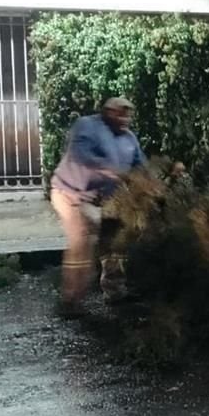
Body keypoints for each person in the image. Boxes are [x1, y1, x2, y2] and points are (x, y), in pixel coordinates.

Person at [50, 97, 145, 317]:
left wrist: (156, 177)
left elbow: (140, 166)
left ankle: (114, 291)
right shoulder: (87, 125)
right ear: (108, 112)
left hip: (93, 199)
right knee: (80, 242)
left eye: (128, 114)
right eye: (120, 113)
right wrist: (109, 171)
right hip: (67, 192)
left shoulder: (129, 139)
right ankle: (70, 301)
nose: (125, 119)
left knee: (114, 240)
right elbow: (81, 154)